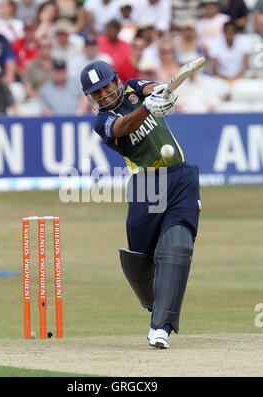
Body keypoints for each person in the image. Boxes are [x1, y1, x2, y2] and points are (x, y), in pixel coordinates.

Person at [80, 60, 201, 349]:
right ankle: (154, 303)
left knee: (178, 246)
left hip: (180, 176)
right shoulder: (102, 123)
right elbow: (124, 125)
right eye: (96, 92)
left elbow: (150, 87)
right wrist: (148, 108)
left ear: (116, 80)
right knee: (141, 259)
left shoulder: (134, 87)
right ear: (91, 97)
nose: (104, 94)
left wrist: (163, 93)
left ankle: (161, 327)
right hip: (146, 186)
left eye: (107, 85)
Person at [97, 19, 135, 84]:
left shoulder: (125, 45)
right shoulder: (99, 41)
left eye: (116, 28)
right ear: (107, 28)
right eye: (111, 28)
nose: (113, 30)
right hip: (101, 77)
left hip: (121, 78)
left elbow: (129, 63)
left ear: (119, 30)